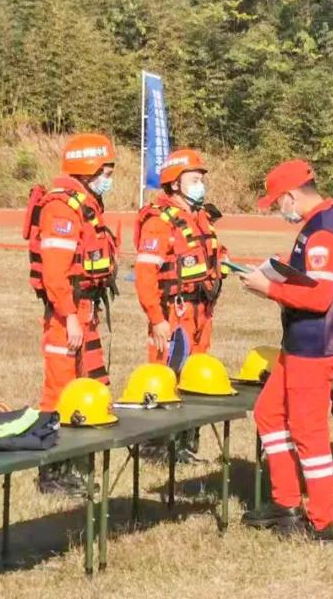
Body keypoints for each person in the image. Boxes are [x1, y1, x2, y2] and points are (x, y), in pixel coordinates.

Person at [239, 160, 333, 542]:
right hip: (299, 342)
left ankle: (322, 523)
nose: (280, 209)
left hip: (316, 345)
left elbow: (320, 297)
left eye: (279, 202)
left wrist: (268, 288)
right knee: (268, 413)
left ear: (292, 196)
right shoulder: (320, 224)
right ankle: (286, 503)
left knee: (309, 433)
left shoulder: (323, 231)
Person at [23, 132, 119, 492]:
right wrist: (69, 315)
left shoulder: (85, 203)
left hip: (84, 309)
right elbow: (54, 273)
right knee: (59, 390)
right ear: (87, 169)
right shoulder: (61, 207)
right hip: (68, 313)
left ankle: (76, 464)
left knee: (87, 385)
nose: (108, 179)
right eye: (105, 172)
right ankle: (52, 473)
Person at [134, 148, 228, 461]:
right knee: (166, 372)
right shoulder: (159, 222)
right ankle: (156, 447)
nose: (201, 183)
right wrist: (156, 318)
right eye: (195, 178)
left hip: (201, 310)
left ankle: (186, 443)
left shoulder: (200, 217)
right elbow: (145, 274)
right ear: (175, 184)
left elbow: (212, 251)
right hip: (174, 313)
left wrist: (222, 264)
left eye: (202, 178)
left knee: (195, 373)